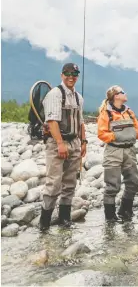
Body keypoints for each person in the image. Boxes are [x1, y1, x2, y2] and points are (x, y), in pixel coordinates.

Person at [39, 63, 87, 231]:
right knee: (54, 183)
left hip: (74, 142)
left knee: (70, 183)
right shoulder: (55, 94)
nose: (71, 76)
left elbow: (80, 122)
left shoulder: (78, 97)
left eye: (74, 73)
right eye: (67, 73)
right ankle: (44, 222)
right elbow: (52, 121)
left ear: (77, 76)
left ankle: (64, 219)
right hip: (56, 143)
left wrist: (84, 142)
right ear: (61, 75)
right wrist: (60, 143)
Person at [97, 85, 138, 222]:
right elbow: (101, 133)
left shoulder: (129, 112)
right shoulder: (106, 113)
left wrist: (133, 135)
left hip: (130, 151)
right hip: (113, 151)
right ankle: (110, 217)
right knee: (112, 186)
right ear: (116, 96)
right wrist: (117, 136)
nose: (125, 94)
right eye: (123, 92)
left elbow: (137, 129)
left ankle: (124, 210)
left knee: (133, 183)